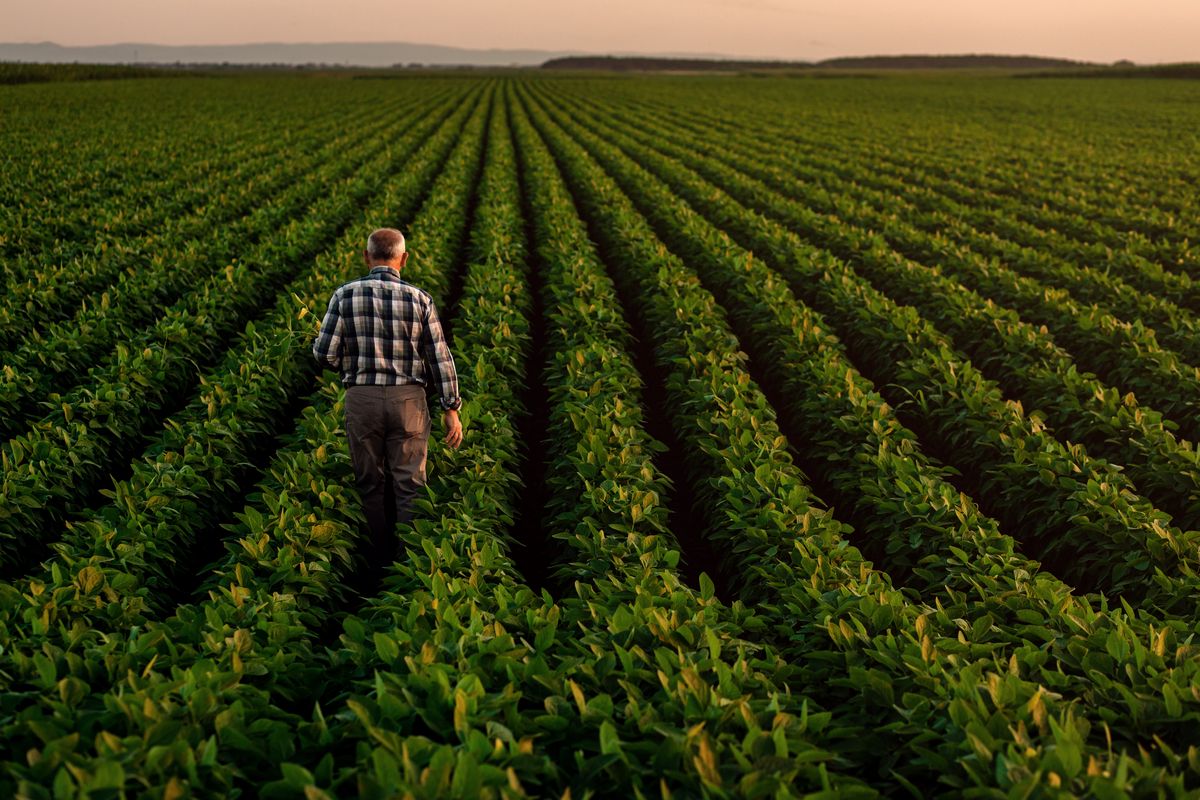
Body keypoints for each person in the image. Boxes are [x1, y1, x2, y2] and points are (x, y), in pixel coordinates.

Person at [312, 228, 463, 569]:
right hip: (409, 401)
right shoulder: (420, 299)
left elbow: (323, 354)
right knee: (410, 483)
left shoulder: (344, 296)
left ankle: (376, 559)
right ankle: (409, 563)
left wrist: (349, 361)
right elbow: (440, 358)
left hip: (362, 397)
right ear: (403, 259)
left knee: (370, 481)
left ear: (366, 257)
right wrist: (450, 407)